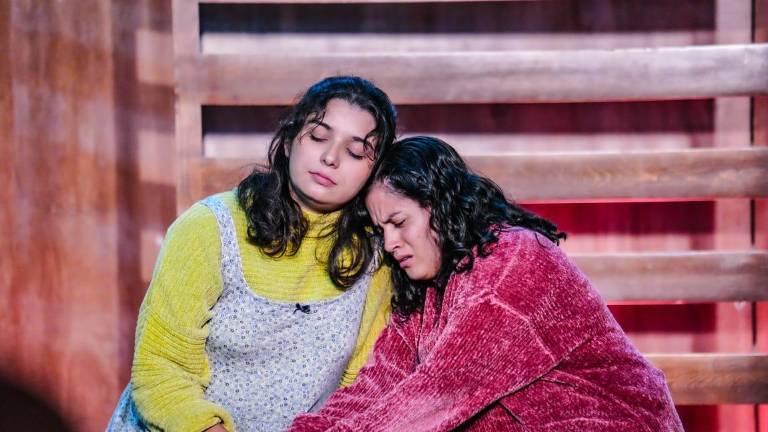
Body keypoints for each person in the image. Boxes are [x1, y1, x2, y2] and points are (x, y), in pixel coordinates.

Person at [288, 136, 684, 431]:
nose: (390, 243)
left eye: (399, 223)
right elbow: (379, 382)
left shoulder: (514, 262)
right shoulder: (425, 289)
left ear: (440, 207)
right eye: (382, 230)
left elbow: (440, 392)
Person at [107, 76, 398, 432]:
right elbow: (161, 369)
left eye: (355, 152)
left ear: (374, 173)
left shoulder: (376, 254)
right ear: (289, 141)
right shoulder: (208, 228)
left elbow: (358, 385)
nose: (330, 158)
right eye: (319, 137)